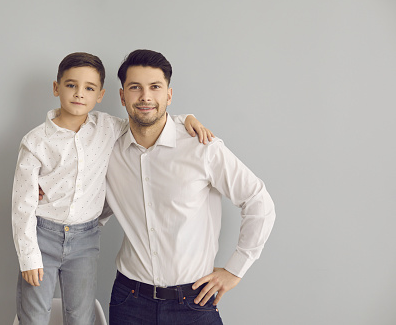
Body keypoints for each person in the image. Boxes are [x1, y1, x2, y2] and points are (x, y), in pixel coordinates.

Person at [12, 52, 212, 324]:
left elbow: (147, 119)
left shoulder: (107, 127)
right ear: (56, 88)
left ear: (101, 95)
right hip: (42, 234)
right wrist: (28, 257)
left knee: (80, 315)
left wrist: (185, 118)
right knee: (34, 314)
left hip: (85, 240)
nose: (79, 93)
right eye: (71, 85)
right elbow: (22, 205)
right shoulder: (36, 141)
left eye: (89, 88)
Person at [100, 49, 276, 324]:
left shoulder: (201, 147)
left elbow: (258, 200)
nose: (145, 97)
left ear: (169, 95)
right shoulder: (107, 148)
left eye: (155, 87)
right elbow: (88, 201)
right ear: (122, 96)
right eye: (135, 88)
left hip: (193, 301)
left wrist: (235, 270)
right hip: (128, 300)